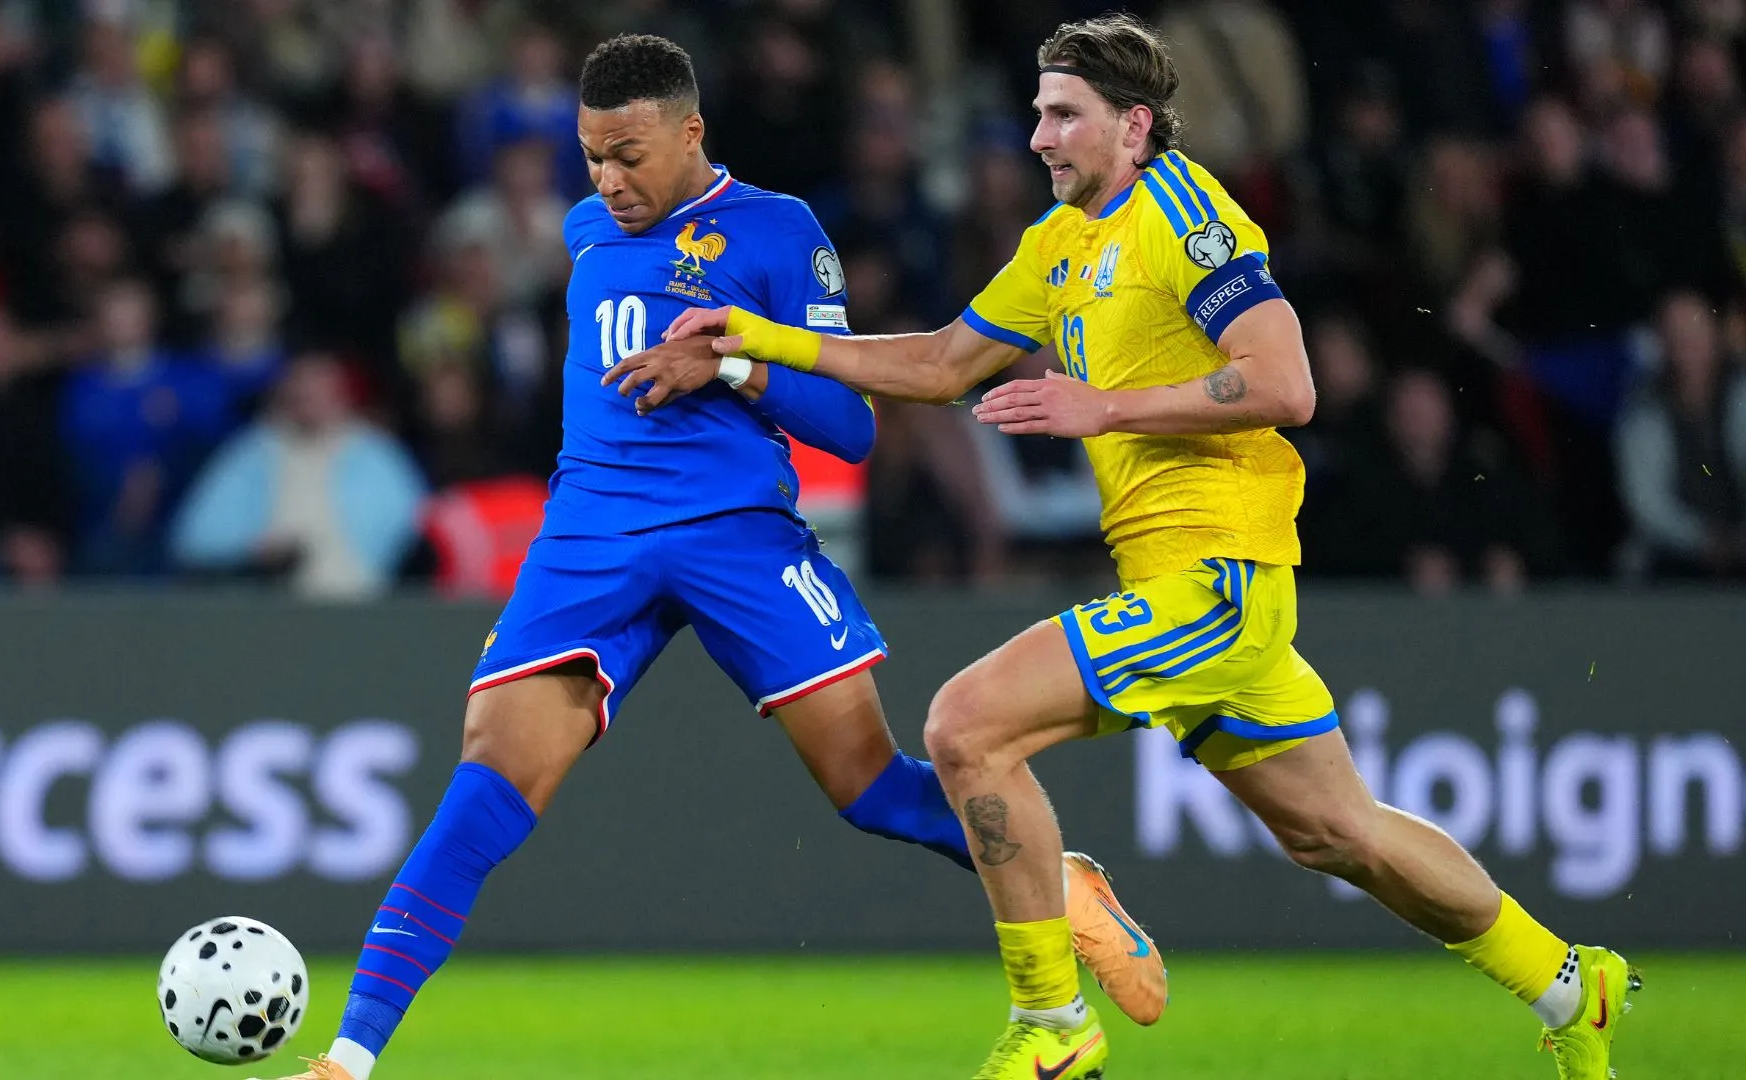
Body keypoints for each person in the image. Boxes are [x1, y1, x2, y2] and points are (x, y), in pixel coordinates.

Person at [613, 15, 1636, 1080]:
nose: (1038, 137)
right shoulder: (1059, 243)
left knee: (965, 726)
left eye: (1064, 115)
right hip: (1182, 583)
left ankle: (1052, 1025)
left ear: (1134, 125)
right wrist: (758, 344)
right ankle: (1572, 982)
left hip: (1222, 576)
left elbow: (1287, 382)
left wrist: (1107, 407)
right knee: (1342, 835)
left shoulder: (1184, 218)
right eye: (1038, 112)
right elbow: (941, 362)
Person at [254, 34, 1162, 1080]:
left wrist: (731, 363)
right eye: (592, 154)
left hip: (738, 534)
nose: (609, 179)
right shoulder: (588, 231)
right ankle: (349, 1057)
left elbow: (854, 429)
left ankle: (1060, 881)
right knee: (484, 786)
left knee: (868, 790)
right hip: (591, 535)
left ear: (691, 132)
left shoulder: (780, 232)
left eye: (630, 153)